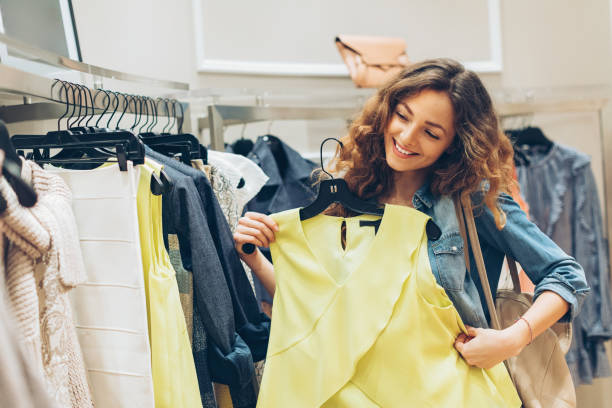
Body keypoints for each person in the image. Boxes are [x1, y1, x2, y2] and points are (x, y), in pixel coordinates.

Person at [233, 58, 589, 396]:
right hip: (362, 392)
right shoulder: (352, 193)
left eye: (430, 133)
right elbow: (320, 309)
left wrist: (510, 339)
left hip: (456, 392)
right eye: (402, 116)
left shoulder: (470, 199)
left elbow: (566, 274)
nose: (406, 137)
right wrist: (258, 259)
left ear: (454, 144)